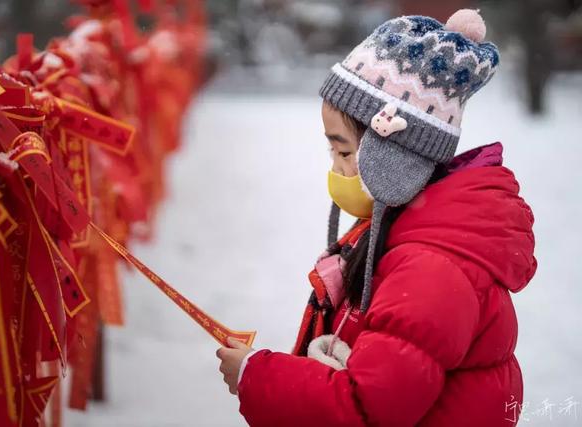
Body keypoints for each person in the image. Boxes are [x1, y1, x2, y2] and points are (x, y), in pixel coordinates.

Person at [216, 9, 537, 427]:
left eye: (344, 152)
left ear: (395, 158)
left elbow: (366, 409)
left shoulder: (432, 269)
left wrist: (256, 377)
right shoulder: (402, 234)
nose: (335, 168)